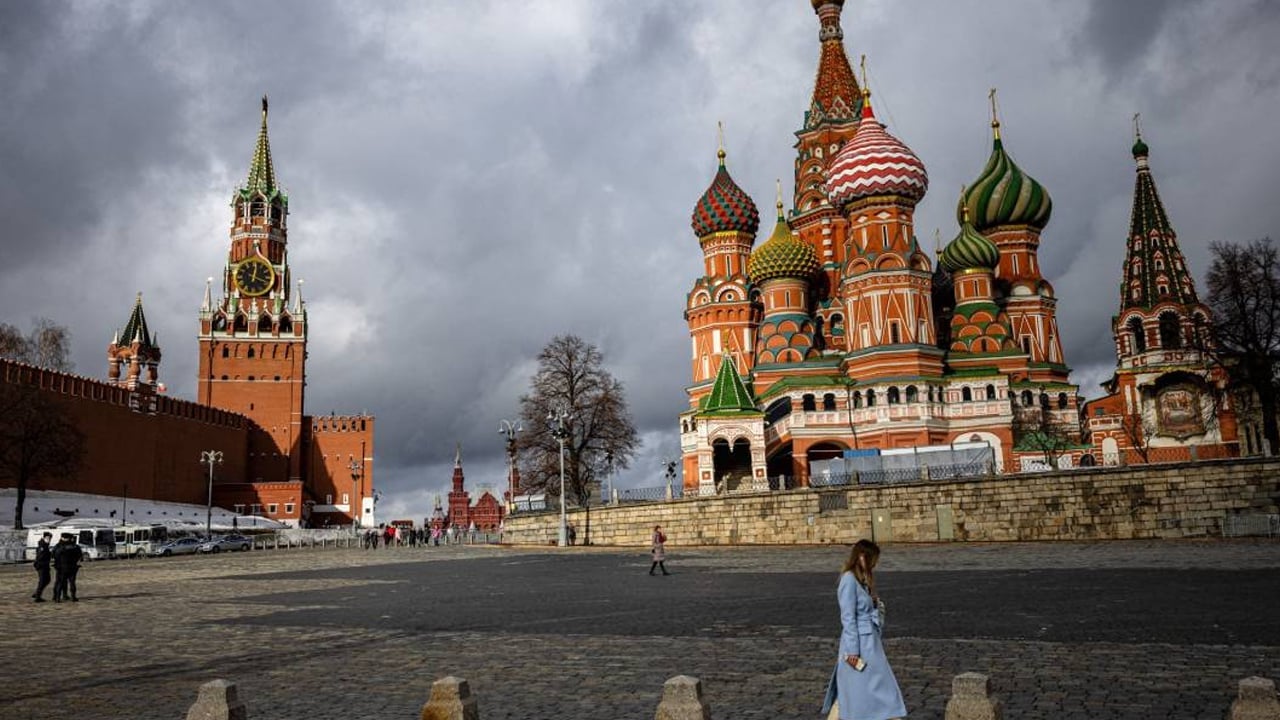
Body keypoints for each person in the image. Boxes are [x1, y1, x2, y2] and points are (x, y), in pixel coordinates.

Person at [821, 539, 906, 720]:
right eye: (872, 559)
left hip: (870, 643)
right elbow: (848, 618)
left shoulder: (863, 581)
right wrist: (852, 651)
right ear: (861, 556)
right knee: (864, 691)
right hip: (859, 646)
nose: (874, 564)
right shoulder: (849, 580)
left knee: (868, 691)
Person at [32, 532, 52, 602]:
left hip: (44, 565)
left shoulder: (45, 545)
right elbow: (40, 556)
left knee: (47, 580)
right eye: (47, 538)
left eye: (50, 538)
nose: (49, 540)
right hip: (42, 565)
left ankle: (37, 593)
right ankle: (38, 597)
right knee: (43, 580)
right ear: (44, 538)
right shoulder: (42, 546)